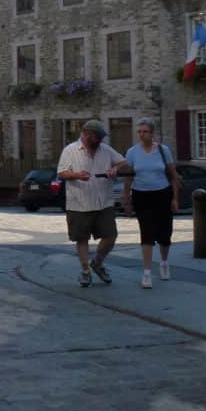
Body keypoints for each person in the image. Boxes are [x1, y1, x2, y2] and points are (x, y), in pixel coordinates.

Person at [57, 120, 130, 288]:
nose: (100, 141)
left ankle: (97, 262)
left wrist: (116, 170)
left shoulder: (105, 150)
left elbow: (125, 164)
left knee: (110, 236)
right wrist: (76, 175)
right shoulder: (70, 150)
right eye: (98, 137)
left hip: (104, 201)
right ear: (87, 135)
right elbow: (61, 172)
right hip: (79, 202)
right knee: (81, 238)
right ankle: (85, 271)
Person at [124, 118, 181, 289]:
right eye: (139, 131)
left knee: (164, 234)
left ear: (152, 133)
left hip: (162, 194)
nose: (141, 135)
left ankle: (164, 263)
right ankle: (147, 273)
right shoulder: (132, 152)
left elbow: (173, 176)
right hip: (141, 195)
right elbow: (128, 178)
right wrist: (126, 200)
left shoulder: (163, 151)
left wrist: (175, 198)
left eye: (145, 131)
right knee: (146, 232)